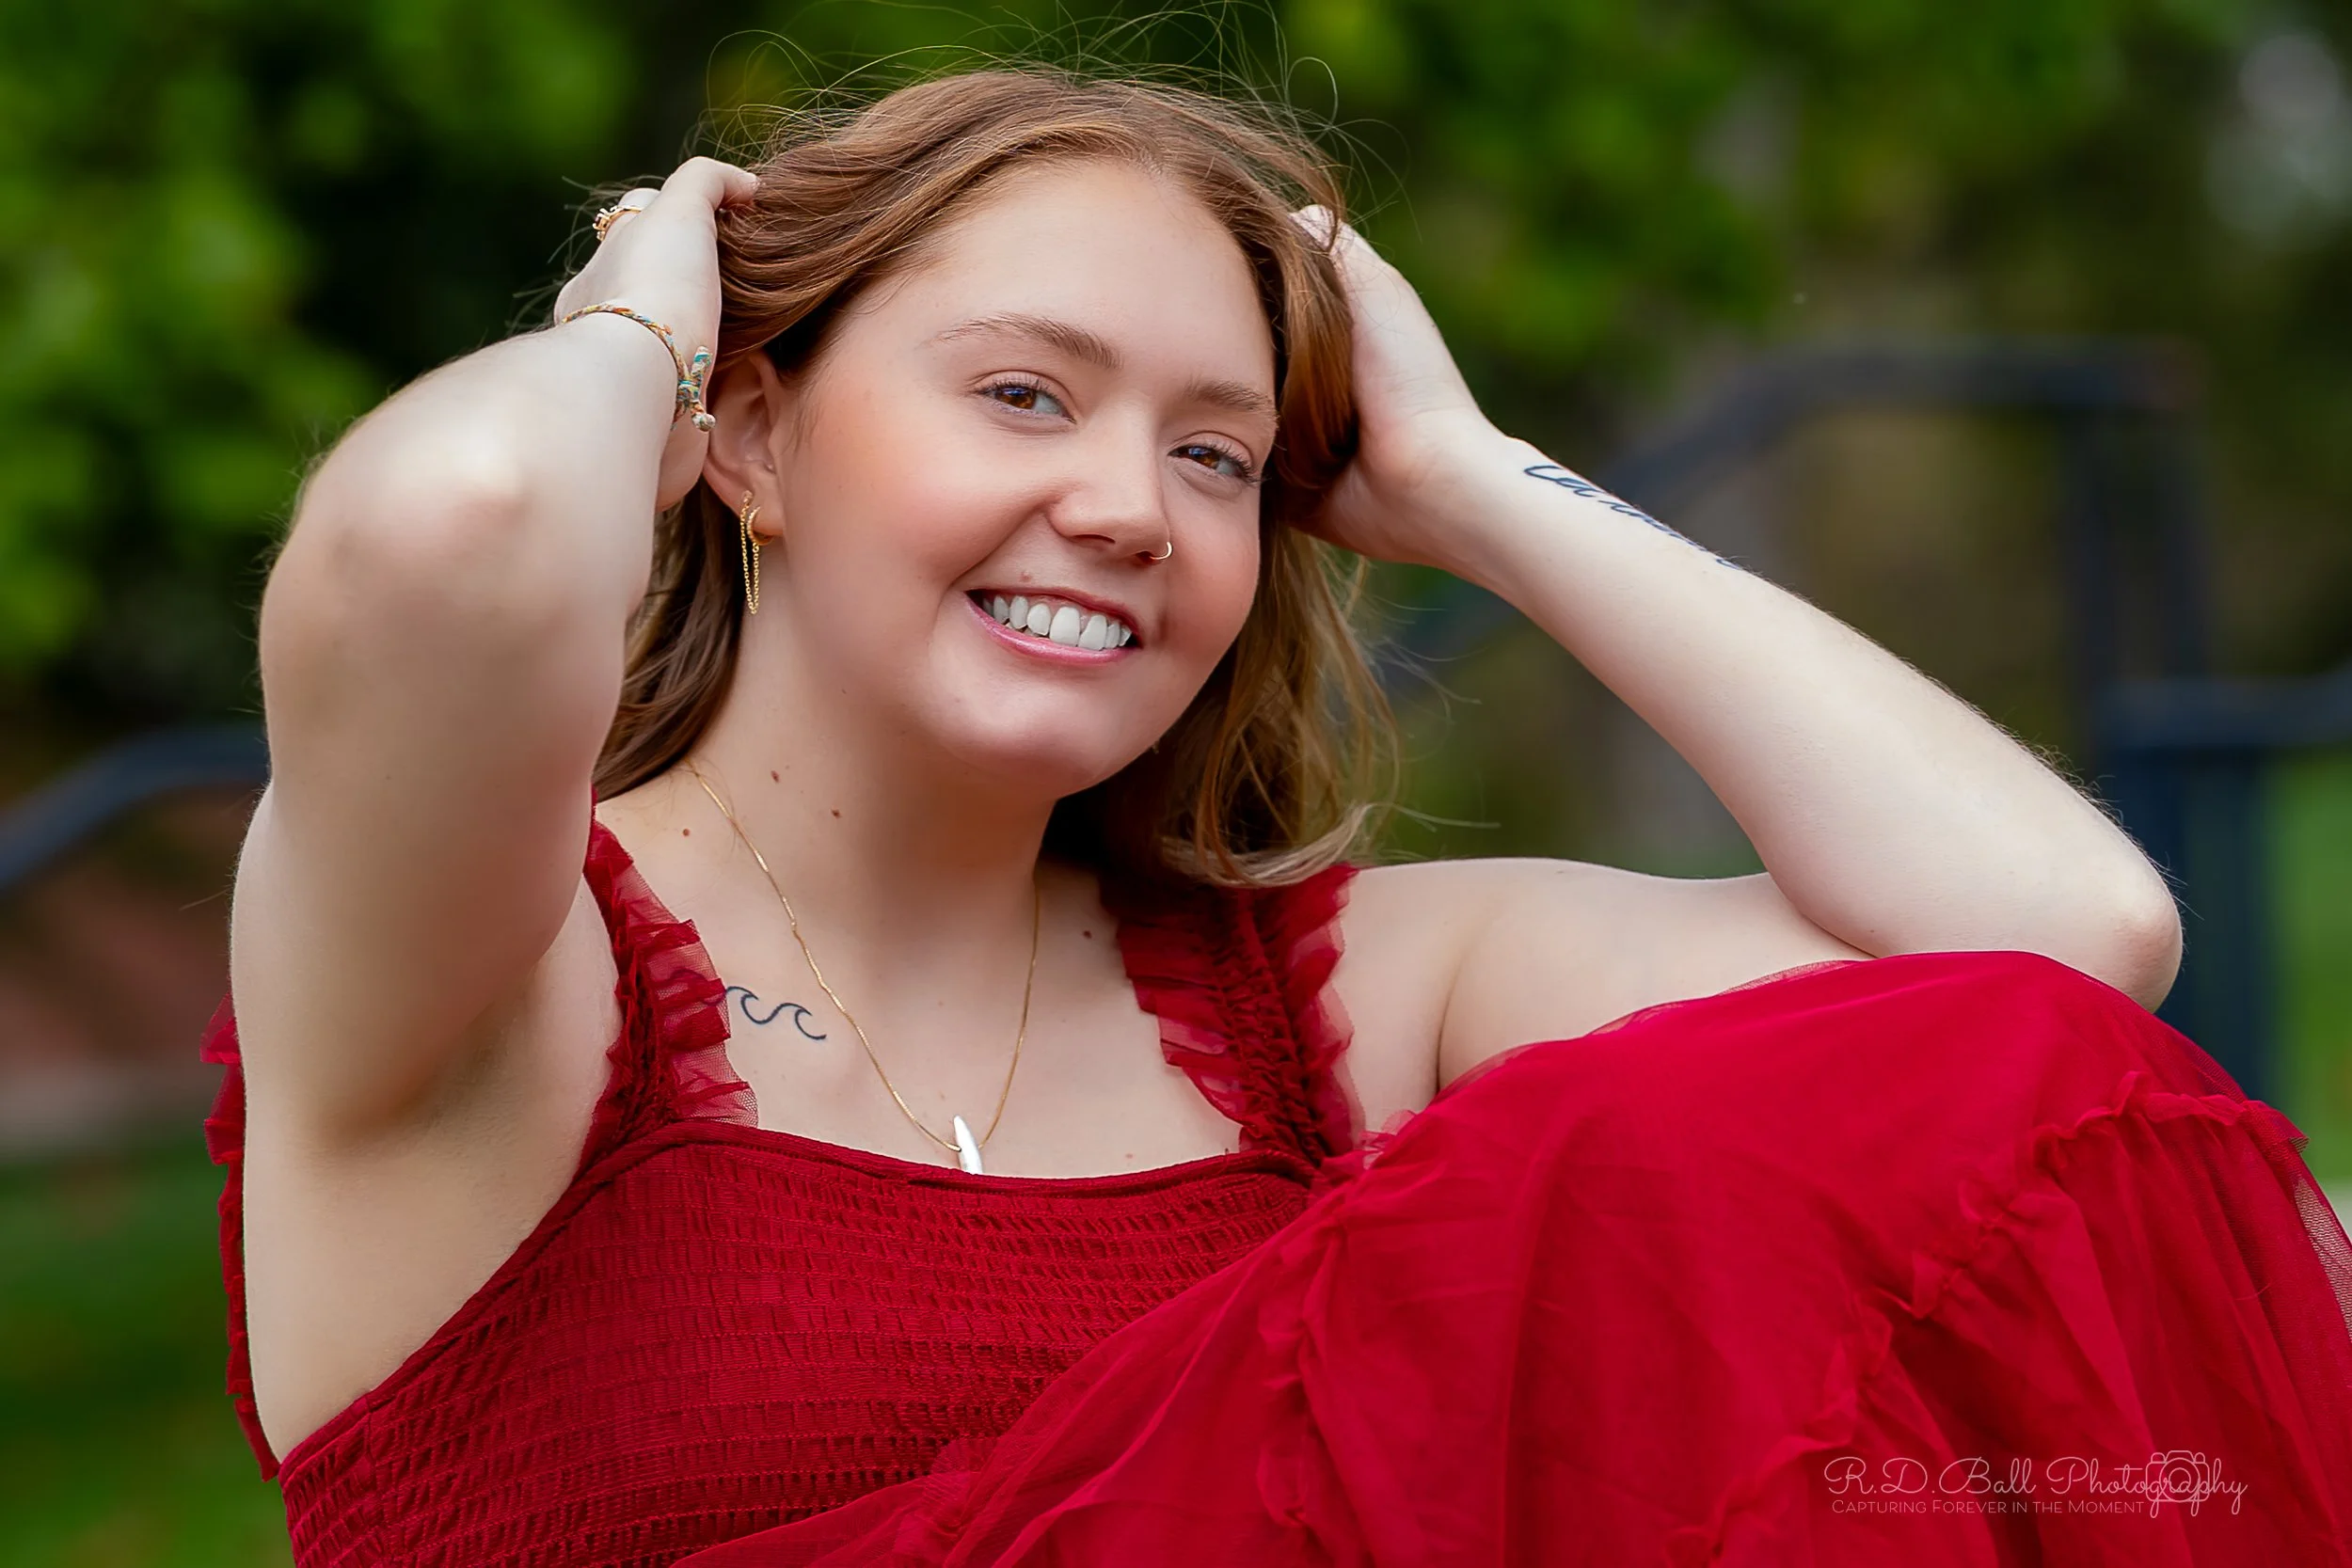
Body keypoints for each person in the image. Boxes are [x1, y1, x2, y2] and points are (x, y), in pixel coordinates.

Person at [199, 67, 2352, 1568]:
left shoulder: (1324, 1011)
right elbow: (458, 527)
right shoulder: (495, 967)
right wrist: (644, 321)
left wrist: (1464, 484)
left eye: (1219, 454)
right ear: (745, 431)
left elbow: (2049, 958)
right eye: (1022, 393)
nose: (1127, 506)